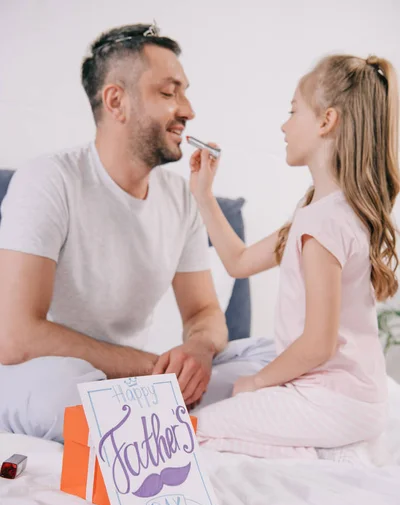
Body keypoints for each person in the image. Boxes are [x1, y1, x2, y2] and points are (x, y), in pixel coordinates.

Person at [0, 23, 273, 443]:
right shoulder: (48, 180)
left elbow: (204, 312)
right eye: (169, 93)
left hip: (135, 383)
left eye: (183, 92)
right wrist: (155, 370)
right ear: (116, 101)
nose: (188, 110)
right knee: (68, 388)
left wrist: (198, 351)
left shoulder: (182, 198)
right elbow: (15, 336)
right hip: (44, 375)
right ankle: (159, 413)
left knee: (266, 362)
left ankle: (155, 414)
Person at [189, 54, 399, 458]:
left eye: (292, 111)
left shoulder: (321, 224)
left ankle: (316, 457)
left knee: (191, 432)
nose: (284, 125)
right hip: (358, 399)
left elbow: (318, 344)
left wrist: (258, 382)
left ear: (326, 121)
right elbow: (240, 262)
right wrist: (203, 194)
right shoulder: (329, 213)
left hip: (333, 402)